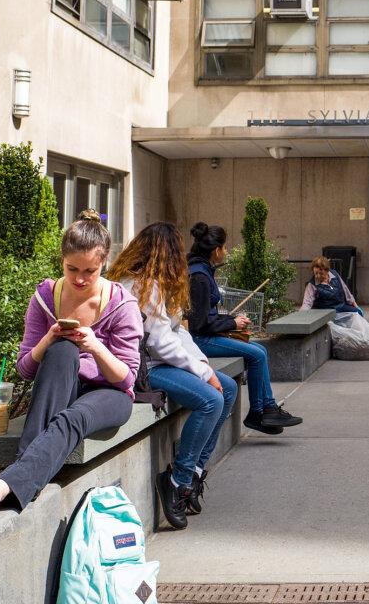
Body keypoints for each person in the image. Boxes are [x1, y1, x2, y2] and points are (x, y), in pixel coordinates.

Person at [0, 211, 142, 525]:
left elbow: (126, 376)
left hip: (109, 394)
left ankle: (2, 485)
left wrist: (95, 346)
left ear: (105, 263)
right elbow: (25, 369)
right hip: (62, 386)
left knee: (72, 418)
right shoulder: (45, 297)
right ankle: (20, 481)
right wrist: (48, 338)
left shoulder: (122, 304)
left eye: (90, 270)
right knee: (60, 350)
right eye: (72, 269)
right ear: (62, 260)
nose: (80, 279)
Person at [107, 222, 237, 530]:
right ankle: (177, 481)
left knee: (227, 389)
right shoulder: (140, 285)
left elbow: (177, 332)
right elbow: (159, 343)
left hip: (160, 362)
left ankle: (193, 472)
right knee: (211, 400)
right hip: (145, 369)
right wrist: (205, 374)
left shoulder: (155, 283)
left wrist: (204, 365)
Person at [187, 222, 302, 436]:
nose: (227, 251)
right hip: (200, 340)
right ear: (216, 250)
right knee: (257, 354)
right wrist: (232, 323)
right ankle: (261, 411)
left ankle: (263, 410)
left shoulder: (202, 271)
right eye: (225, 247)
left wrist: (230, 319)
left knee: (260, 351)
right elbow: (199, 323)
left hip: (203, 335)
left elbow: (203, 315)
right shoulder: (200, 277)